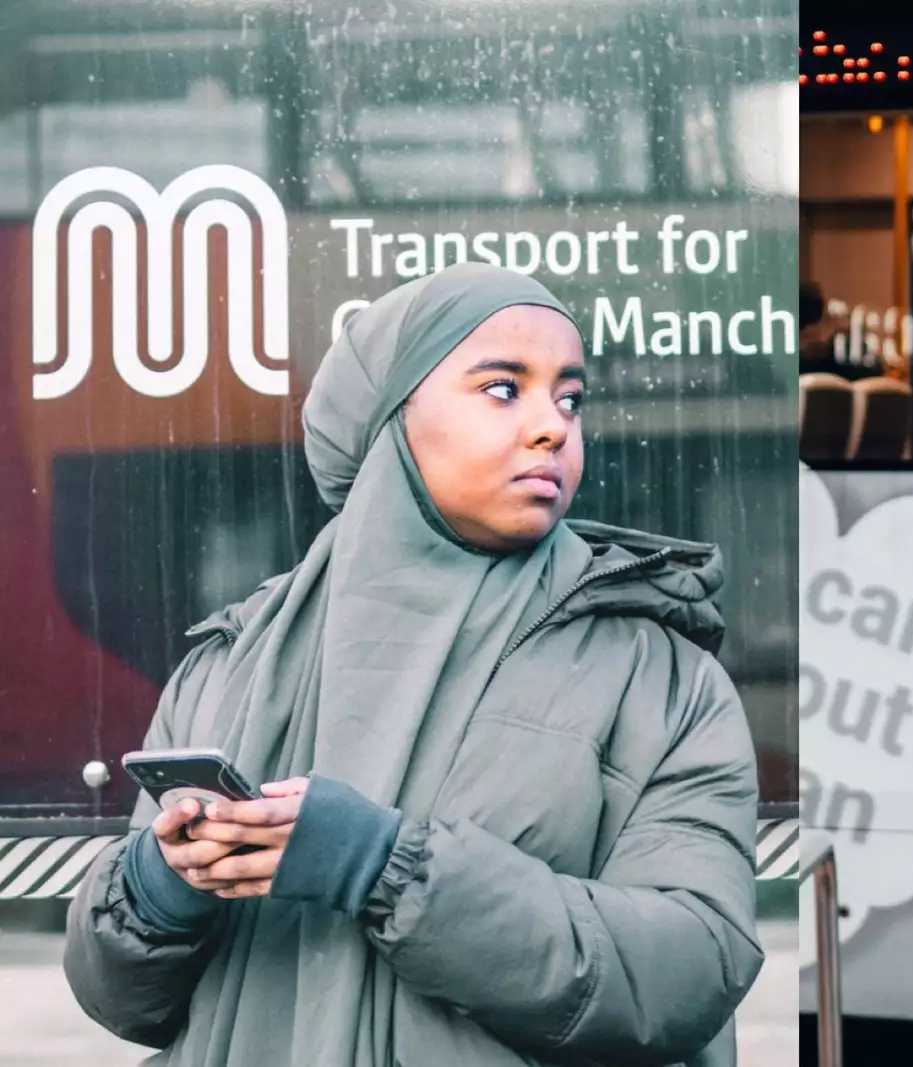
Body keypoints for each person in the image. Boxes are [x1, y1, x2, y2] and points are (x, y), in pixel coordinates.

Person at [64, 263, 763, 1067]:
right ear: (390, 419)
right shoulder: (230, 662)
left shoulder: (660, 677)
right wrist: (161, 884)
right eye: (504, 389)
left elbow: (691, 967)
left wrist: (387, 867)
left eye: (569, 398)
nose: (551, 426)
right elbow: (120, 1000)